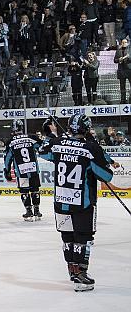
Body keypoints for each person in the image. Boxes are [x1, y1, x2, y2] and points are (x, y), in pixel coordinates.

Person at [38, 114, 115, 292]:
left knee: (67, 238)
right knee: (83, 238)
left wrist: (52, 134)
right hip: (83, 203)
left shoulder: (58, 144)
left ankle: (72, 271)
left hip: (61, 201)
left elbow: (42, 151)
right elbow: (106, 176)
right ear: (87, 129)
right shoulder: (90, 148)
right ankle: (81, 274)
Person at [3, 119, 43, 221]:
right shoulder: (32, 138)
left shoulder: (10, 142)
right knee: (35, 190)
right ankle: (37, 211)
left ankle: (29, 212)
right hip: (33, 169)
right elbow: (42, 147)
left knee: (24, 192)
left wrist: (6, 170)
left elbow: (7, 158)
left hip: (21, 171)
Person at [114, 38, 131, 103]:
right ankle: (123, 99)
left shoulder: (130, 49)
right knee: (122, 87)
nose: (124, 44)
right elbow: (115, 60)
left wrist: (126, 57)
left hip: (129, 70)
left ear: (127, 43)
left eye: (125, 42)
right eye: (123, 42)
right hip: (121, 70)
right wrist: (119, 60)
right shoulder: (118, 50)